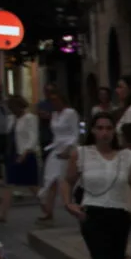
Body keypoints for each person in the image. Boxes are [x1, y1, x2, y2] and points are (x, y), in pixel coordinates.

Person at [58, 112, 131, 259]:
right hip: (93, 213)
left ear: (114, 131)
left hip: (120, 214)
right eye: (100, 128)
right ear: (93, 131)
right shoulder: (82, 154)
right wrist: (69, 204)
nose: (104, 133)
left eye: (108, 128)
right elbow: (67, 181)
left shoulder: (126, 156)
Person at [0, 95, 40, 223]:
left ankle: (46, 206)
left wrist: (25, 153)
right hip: (13, 154)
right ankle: (2, 214)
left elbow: (33, 137)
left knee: (32, 185)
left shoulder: (30, 118)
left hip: (25, 153)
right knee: (9, 184)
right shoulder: (11, 119)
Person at [38, 87, 79, 223]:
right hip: (56, 149)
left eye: (56, 100)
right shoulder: (55, 115)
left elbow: (75, 133)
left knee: (65, 179)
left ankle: (72, 205)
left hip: (67, 149)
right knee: (51, 179)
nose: (54, 104)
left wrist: (69, 149)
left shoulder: (71, 113)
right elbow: (55, 133)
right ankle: (48, 211)